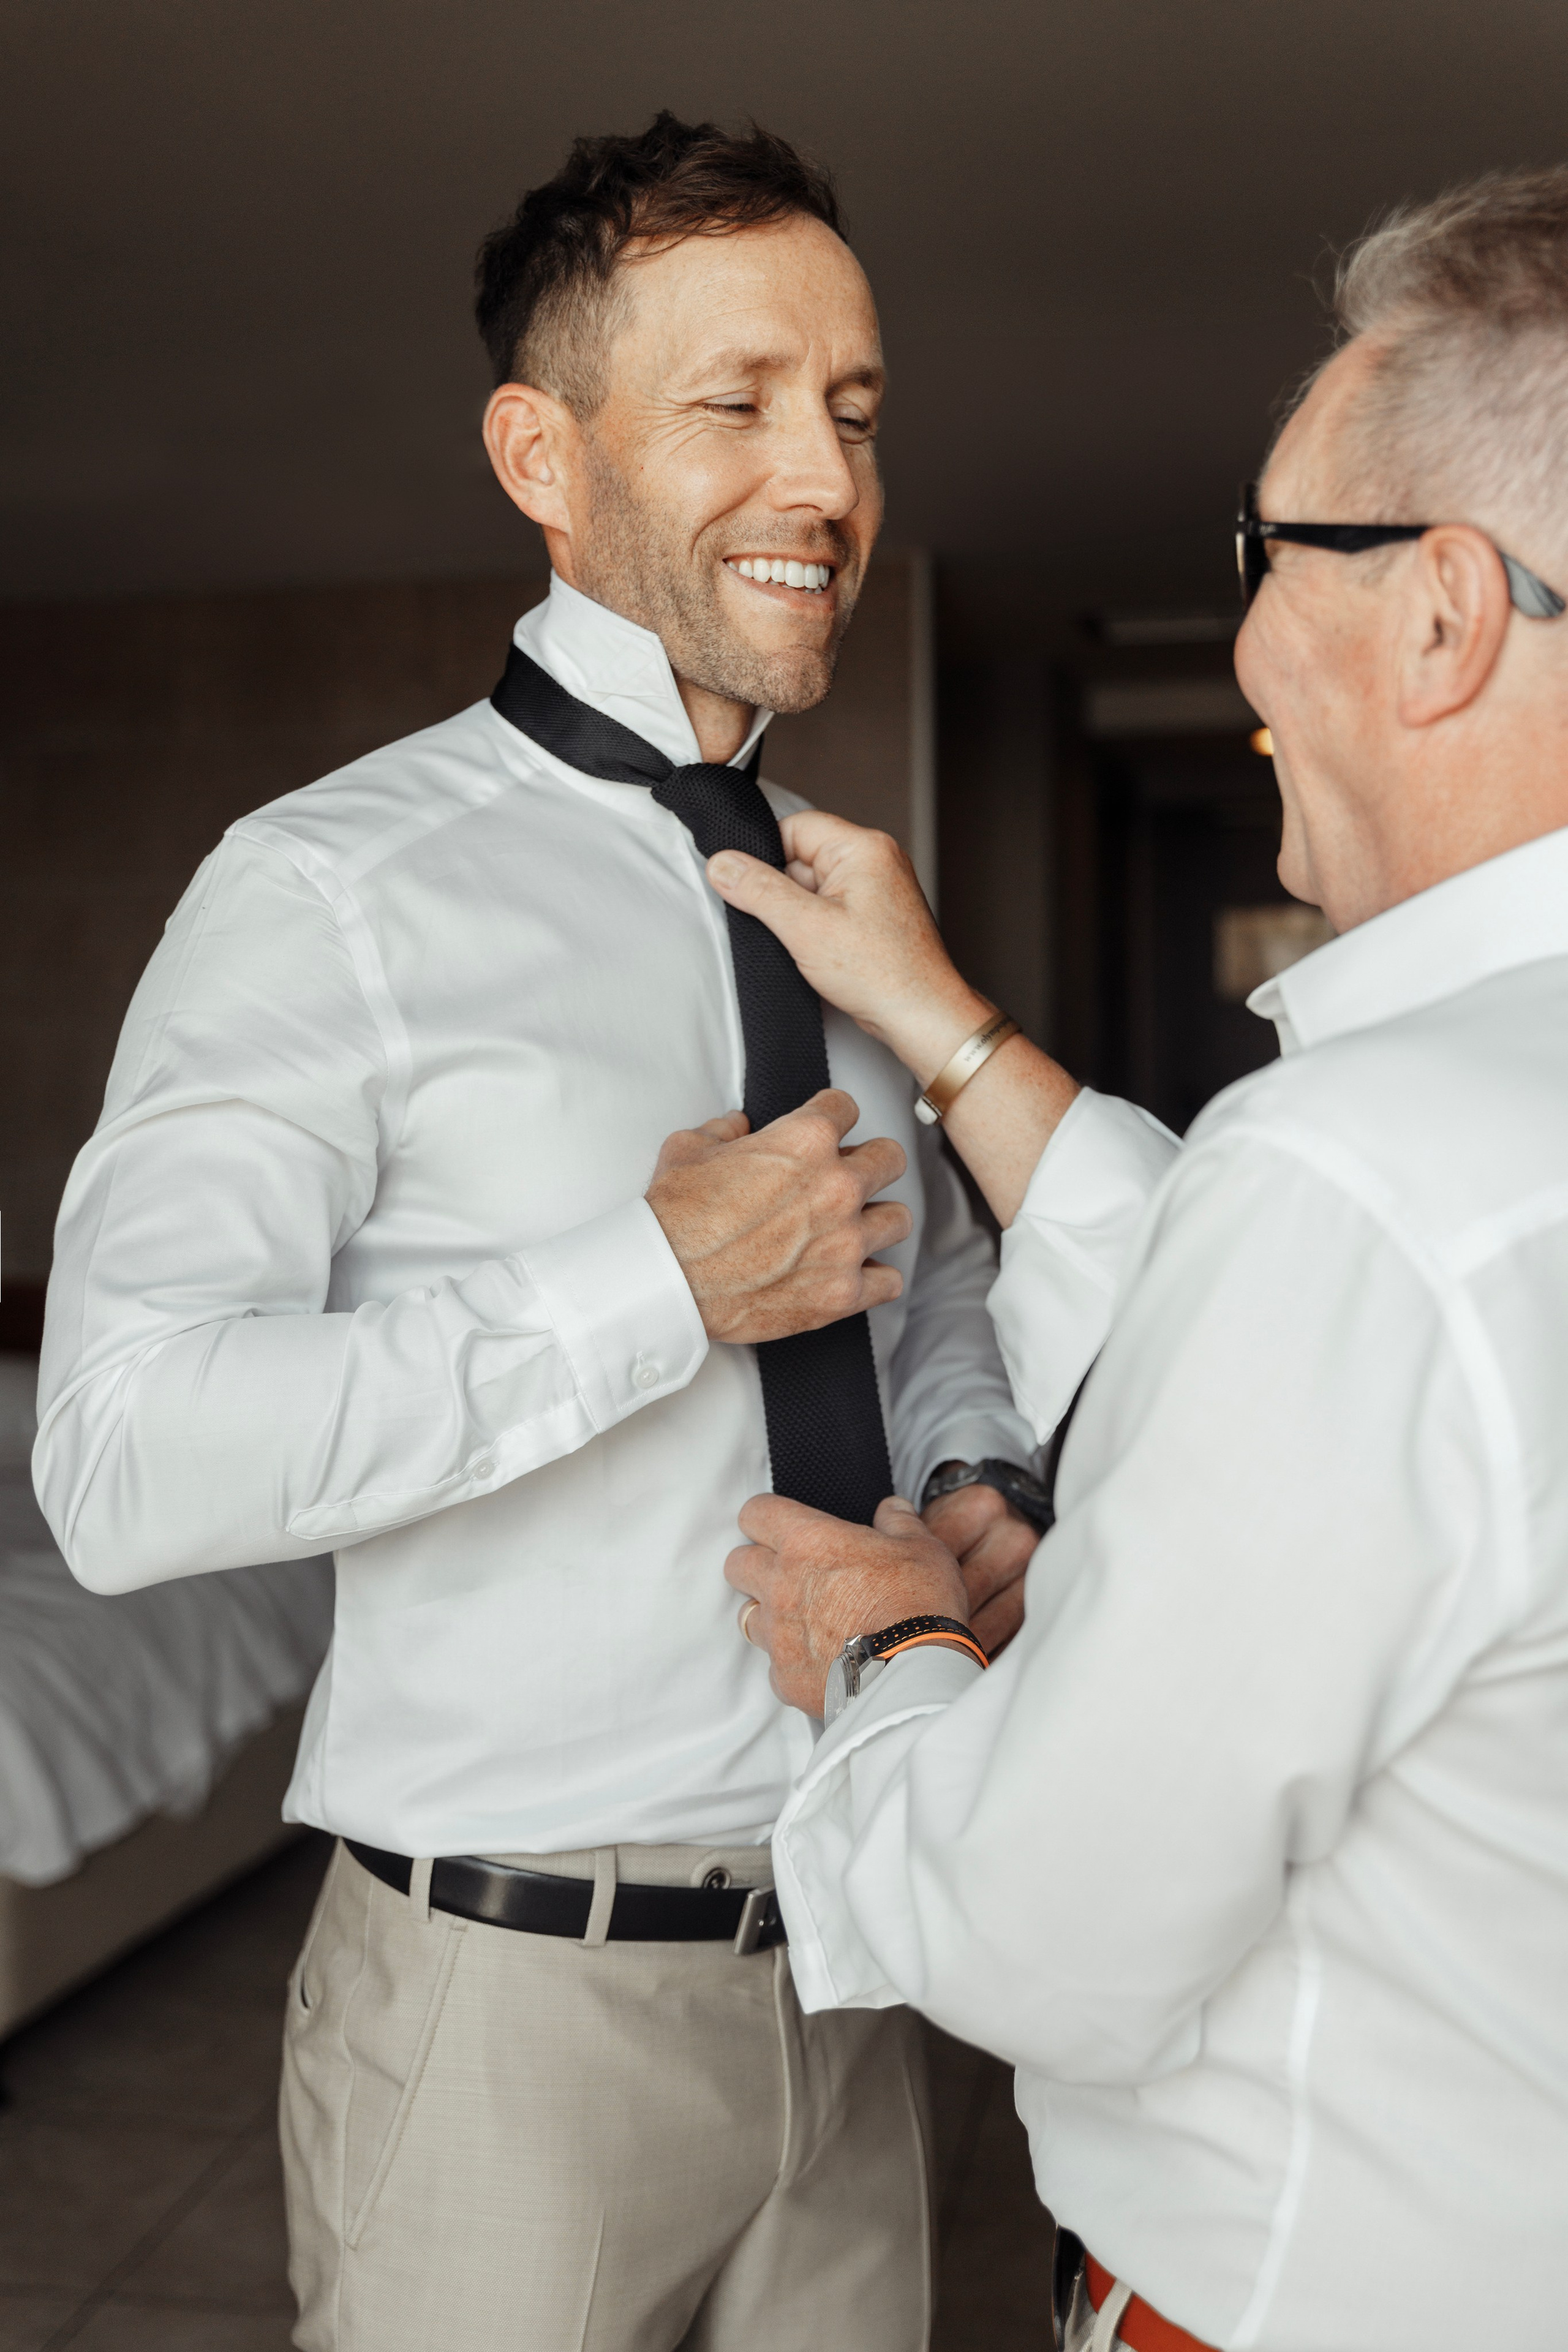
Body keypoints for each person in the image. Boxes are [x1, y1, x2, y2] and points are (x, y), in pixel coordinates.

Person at [31, 115, 1047, 2352]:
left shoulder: (844, 889)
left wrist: (977, 1477)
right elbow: (113, 1461)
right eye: (740, 401)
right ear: (542, 452)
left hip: (865, 1954)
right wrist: (651, 1285)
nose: (828, 479)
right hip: (511, 2012)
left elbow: (930, 1287)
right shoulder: (325, 890)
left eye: (856, 412)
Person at [709, 167, 1568, 2351]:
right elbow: (1299, 1324)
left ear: (1447, 611)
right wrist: (949, 1024)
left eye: (1262, 556)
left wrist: (895, 1654)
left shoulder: (1367, 1181)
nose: (1248, 637)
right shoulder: (1433, 1160)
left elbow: (1046, 1927)